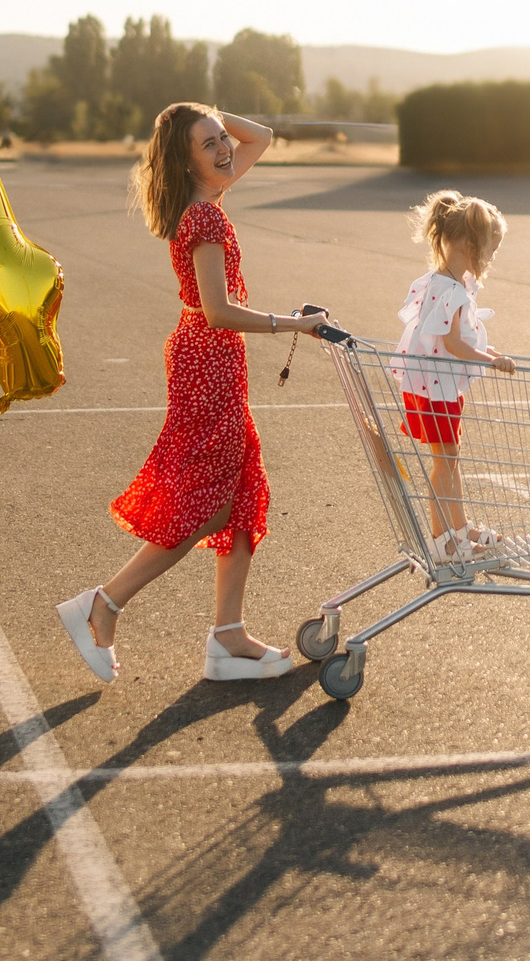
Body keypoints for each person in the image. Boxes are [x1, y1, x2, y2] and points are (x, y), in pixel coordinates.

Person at [54, 104, 331, 684]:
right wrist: (293, 324)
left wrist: (205, 114)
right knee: (205, 501)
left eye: (222, 139)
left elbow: (264, 136)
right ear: (187, 161)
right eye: (209, 144)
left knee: (238, 496)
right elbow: (218, 311)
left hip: (212, 360)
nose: (226, 148)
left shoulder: (209, 199)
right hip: (206, 359)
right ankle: (102, 604)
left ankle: (227, 637)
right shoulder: (204, 219)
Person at [394, 190, 516, 561]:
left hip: (436, 386)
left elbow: (455, 336)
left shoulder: (446, 282)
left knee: (449, 459)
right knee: (444, 463)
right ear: (469, 244)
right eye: (489, 251)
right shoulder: (449, 289)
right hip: (435, 389)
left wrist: (489, 351)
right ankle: (443, 541)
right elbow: (452, 344)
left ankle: (458, 530)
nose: (490, 260)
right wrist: (488, 360)